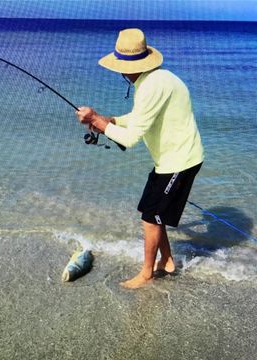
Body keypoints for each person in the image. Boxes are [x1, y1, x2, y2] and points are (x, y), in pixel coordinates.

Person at [76, 28, 204, 289]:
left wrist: (96, 122)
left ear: (123, 66)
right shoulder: (154, 79)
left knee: (151, 217)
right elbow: (139, 117)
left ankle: (146, 273)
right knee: (150, 212)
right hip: (169, 160)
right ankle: (167, 261)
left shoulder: (151, 86)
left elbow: (131, 138)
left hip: (180, 161)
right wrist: (110, 120)